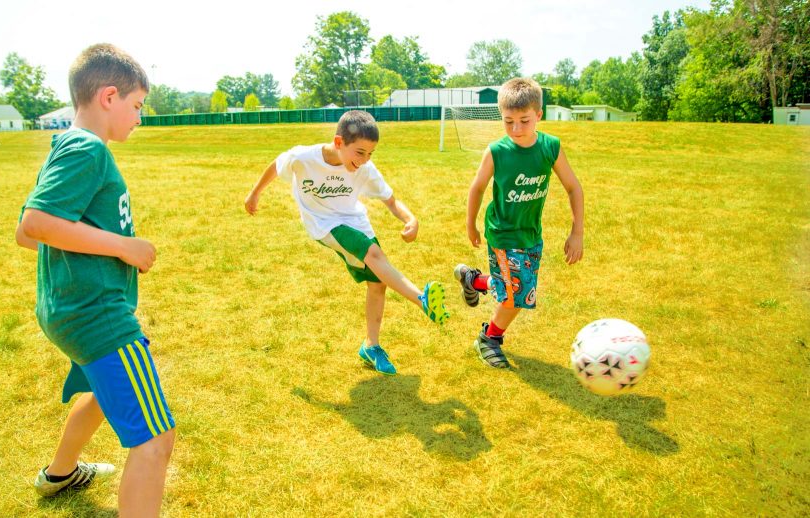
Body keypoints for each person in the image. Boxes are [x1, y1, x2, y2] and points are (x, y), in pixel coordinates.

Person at [15, 43, 174, 517]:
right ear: (109, 96)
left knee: (101, 394)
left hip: (71, 309)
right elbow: (36, 223)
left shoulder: (69, 144)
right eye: (138, 105)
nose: (140, 117)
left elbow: (32, 231)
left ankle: (59, 475)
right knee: (155, 438)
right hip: (96, 313)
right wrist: (125, 246)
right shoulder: (87, 148)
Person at [245, 110, 450, 376]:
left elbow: (389, 199)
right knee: (374, 254)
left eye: (370, 154)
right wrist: (254, 194)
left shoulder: (365, 169)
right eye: (360, 152)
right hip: (323, 224)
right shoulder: (303, 157)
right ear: (339, 142)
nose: (364, 160)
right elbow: (277, 164)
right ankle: (422, 300)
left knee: (377, 282)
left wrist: (411, 219)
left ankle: (371, 346)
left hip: (354, 220)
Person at [456, 77, 584, 369]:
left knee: (515, 289)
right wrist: (471, 224)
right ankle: (489, 338)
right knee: (519, 295)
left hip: (531, 234)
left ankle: (474, 280)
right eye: (508, 121)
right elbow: (477, 187)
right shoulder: (497, 152)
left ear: (539, 115)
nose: (516, 129)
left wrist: (577, 232)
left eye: (524, 121)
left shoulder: (551, 147)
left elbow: (574, 187)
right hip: (502, 233)